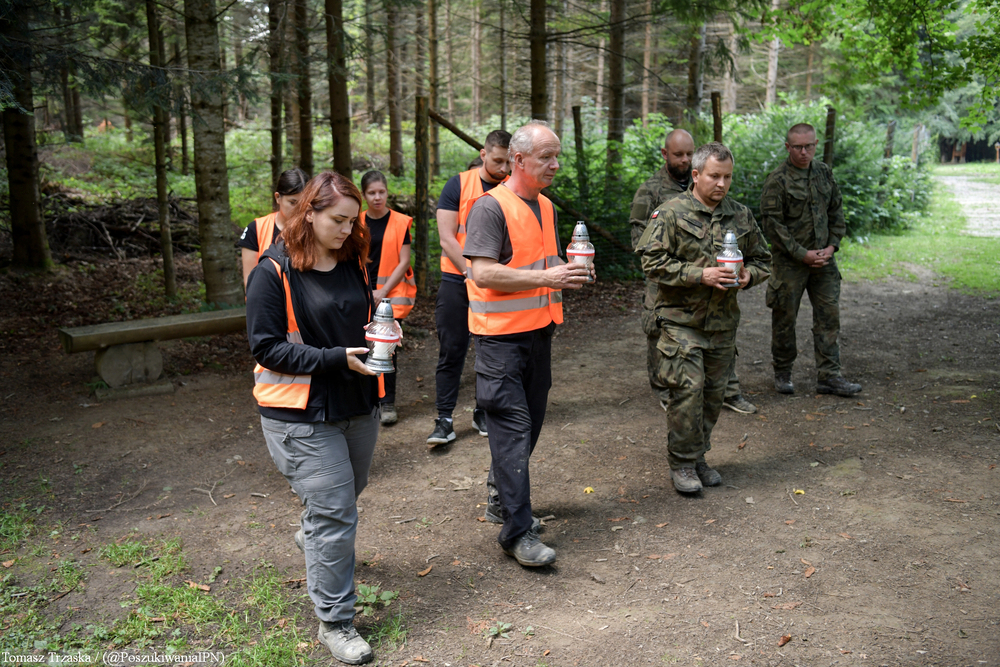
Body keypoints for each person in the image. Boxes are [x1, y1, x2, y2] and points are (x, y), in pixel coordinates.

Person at [246, 172, 378, 665]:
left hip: (356, 403)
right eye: (337, 220)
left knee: (345, 495)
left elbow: (362, 317)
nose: (347, 229)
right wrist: (332, 359)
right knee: (335, 512)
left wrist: (381, 333)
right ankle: (336, 621)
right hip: (298, 413)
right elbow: (265, 346)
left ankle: (316, 533)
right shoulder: (272, 270)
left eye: (352, 220)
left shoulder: (352, 260)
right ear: (310, 215)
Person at [464, 121, 592, 567]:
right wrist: (548, 276)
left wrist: (570, 269)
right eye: (546, 157)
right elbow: (481, 272)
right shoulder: (489, 208)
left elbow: (543, 260)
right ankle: (518, 532)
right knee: (513, 430)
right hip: (499, 343)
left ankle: (502, 498)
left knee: (529, 428)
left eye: (557, 157)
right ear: (518, 161)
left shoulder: (547, 207)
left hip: (540, 336)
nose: (555, 165)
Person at [635, 143, 771, 494]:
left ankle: (697, 456)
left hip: (722, 322)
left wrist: (748, 276)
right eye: (714, 176)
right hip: (680, 322)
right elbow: (651, 263)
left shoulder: (740, 215)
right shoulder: (670, 213)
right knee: (688, 391)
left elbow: (763, 260)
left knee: (713, 395)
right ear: (696, 175)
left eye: (727, 177)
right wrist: (701, 275)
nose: (721, 184)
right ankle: (681, 462)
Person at [629, 130, 756, 415]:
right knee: (659, 334)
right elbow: (643, 246)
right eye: (678, 154)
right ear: (665, 154)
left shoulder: (729, 204)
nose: (684, 160)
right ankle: (668, 390)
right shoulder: (651, 193)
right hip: (666, 284)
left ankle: (728, 391)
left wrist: (748, 274)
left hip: (717, 298)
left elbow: (758, 256)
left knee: (719, 343)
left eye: (689, 154)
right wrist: (694, 271)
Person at [761, 123, 862, 397]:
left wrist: (831, 247)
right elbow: (773, 226)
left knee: (829, 317)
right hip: (790, 264)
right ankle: (783, 373)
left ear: (816, 144)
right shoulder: (777, 180)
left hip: (823, 261)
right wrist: (801, 254)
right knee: (784, 320)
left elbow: (836, 212)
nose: (804, 152)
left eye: (809, 146)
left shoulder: (824, 173)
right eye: (798, 147)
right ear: (787, 147)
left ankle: (829, 376)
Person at [427, 130, 512, 446]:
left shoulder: (512, 188)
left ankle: (483, 410)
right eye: (497, 160)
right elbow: (447, 237)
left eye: (508, 162)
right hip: (457, 279)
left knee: (490, 350)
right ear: (483, 153)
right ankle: (444, 419)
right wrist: (470, 271)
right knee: (452, 349)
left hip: (495, 283)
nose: (503, 168)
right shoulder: (458, 185)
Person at [359, 170, 415, 426]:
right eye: (372, 193)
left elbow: (404, 262)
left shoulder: (400, 222)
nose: (377, 197)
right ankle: (365, 400)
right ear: (364, 195)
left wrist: (382, 291)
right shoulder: (354, 221)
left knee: (386, 348)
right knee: (360, 347)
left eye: (381, 192)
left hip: (389, 296)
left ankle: (387, 402)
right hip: (359, 293)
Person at [238, 168, 310, 288]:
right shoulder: (256, 229)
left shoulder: (315, 229)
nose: (299, 209)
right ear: (278, 197)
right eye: (293, 202)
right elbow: (250, 283)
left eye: (304, 203)